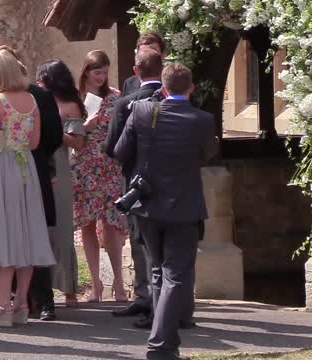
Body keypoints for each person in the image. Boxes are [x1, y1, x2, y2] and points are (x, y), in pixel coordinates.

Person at [114, 63, 218, 360]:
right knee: (175, 274)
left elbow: (121, 152)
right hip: (183, 206)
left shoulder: (143, 112)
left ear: (163, 87)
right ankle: (159, 345)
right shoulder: (202, 120)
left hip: (147, 204)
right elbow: (208, 154)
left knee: (159, 271)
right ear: (191, 88)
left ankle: (167, 344)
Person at [0, 46, 63, 321]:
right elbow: (34, 142)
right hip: (25, 168)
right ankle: (21, 303)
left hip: (0, 168)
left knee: (2, 234)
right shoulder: (31, 100)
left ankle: (2, 307)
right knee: (25, 233)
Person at [104, 49, 163, 320]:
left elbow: (112, 147)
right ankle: (161, 298)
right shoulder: (174, 99)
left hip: (135, 182)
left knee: (141, 238)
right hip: (168, 180)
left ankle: (146, 295)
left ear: (136, 71)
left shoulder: (126, 103)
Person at [73, 50, 128, 303]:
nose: (101, 77)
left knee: (111, 225)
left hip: (109, 166)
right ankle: (95, 284)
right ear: (86, 71)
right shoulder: (75, 99)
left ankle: (118, 282)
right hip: (83, 166)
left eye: (105, 72)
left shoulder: (115, 97)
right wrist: (85, 127)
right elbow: (65, 134)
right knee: (86, 224)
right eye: (97, 72)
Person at [35, 59, 85, 307]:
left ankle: (68, 288)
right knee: (42, 228)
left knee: (63, 229)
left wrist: (55, 130)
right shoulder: (38, 101)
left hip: (61, 167)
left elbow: (77, 142)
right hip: (41, 165)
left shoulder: (70, 105)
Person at [121, 32, 166, 96]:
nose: (147, 56)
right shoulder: (129, 83)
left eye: (152, 51)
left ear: (163, 55)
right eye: (143, 52)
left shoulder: (172, 81)